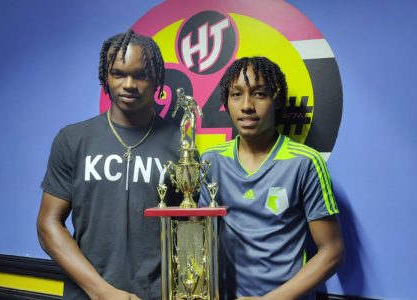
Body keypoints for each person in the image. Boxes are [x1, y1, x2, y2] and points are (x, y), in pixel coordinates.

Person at [37, 30, 181, 300]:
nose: (129, 84)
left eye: (141, 75)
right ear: (106, 76)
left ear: (157, 80)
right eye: (118, 73)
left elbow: (189, 230)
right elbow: (48, 224)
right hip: (88, 295)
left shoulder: (182, 145)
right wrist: (102, 291)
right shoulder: (73, 139)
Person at [199, 57, 344, 300]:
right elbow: (202, 241)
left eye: (259, 94)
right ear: (226, 102)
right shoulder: (210, 161)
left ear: (276, 100)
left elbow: (332, 251)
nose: (247, 105)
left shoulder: (304, 162)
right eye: (236, 94)